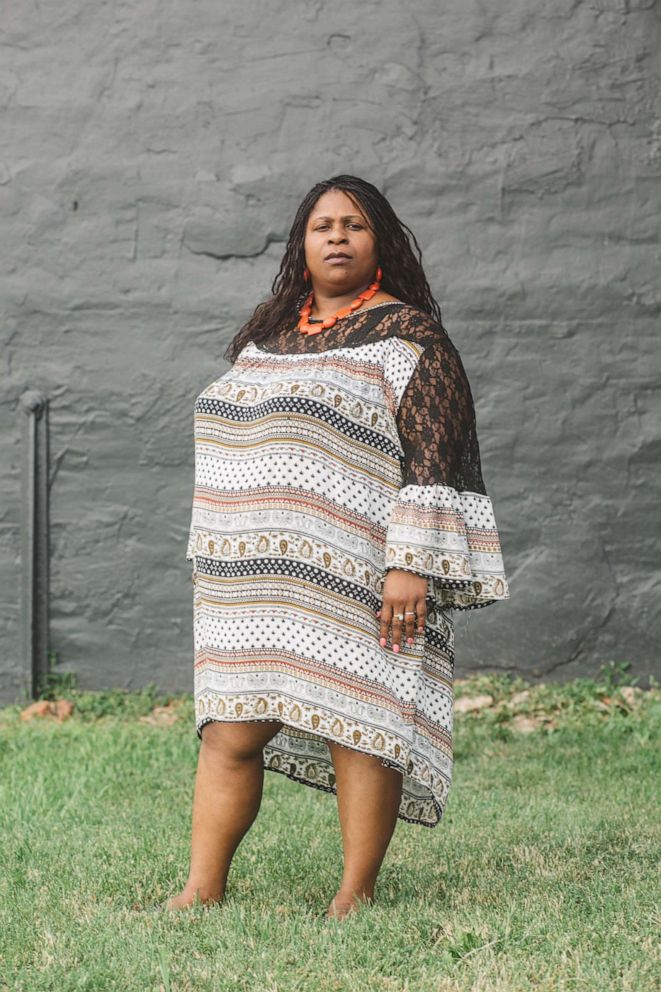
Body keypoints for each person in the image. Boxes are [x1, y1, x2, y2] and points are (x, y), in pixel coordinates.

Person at [167, 174, 510, 920]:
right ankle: (200, 889)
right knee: (230, 729)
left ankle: (353, 894)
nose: (336, 237)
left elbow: (433, 457)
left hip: (357, 572)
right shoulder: (266, 336)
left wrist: (408, 563)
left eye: (353, 225)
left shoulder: (408, 337)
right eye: (321, 225)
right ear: (301, 244)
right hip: (247, 578)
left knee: (362, 725)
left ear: (379, 240)